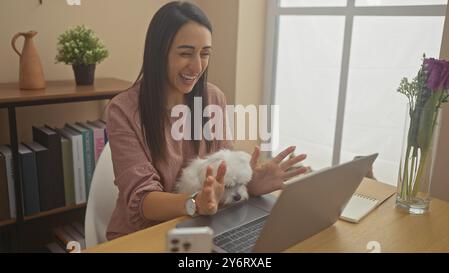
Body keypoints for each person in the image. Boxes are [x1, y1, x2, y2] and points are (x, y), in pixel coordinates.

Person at [105, 1, 308, 241]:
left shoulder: (213, 98)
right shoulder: (123, 110)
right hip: (144, 235)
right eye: (185, 53)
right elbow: (143, 201)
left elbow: (223, 176)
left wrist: (249, 185)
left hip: (204, 225)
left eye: (205, 54)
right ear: (158, 52)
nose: (197, 66)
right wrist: (194, 203)